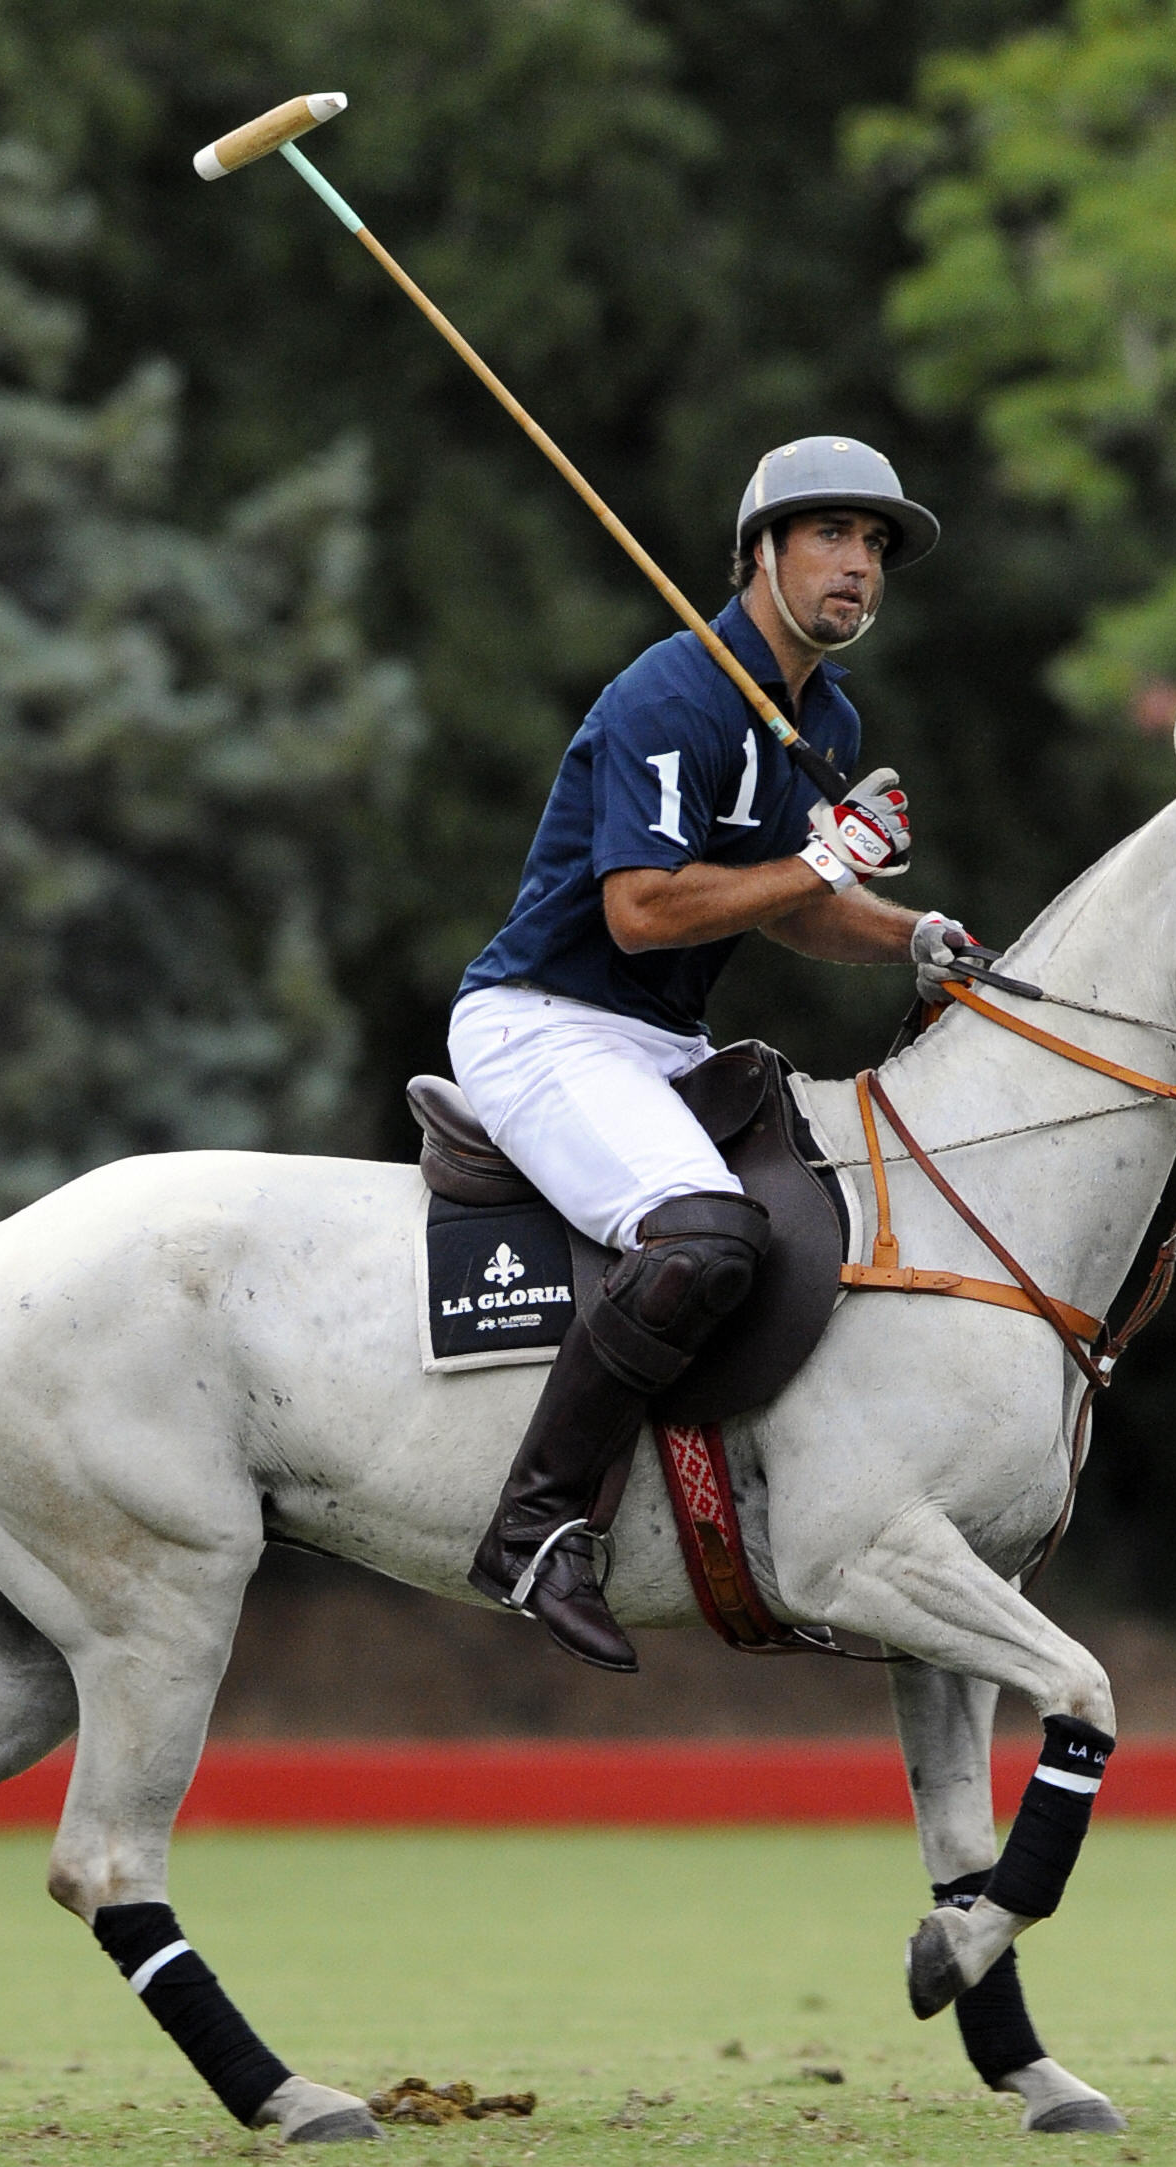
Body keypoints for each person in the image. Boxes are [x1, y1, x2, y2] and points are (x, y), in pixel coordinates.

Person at [451, 436, 983, 1671]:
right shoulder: (669, 693)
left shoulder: (821, 713)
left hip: (660, 1039)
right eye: (830, 537)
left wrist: (913, 934)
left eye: (874, 548)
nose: (857, 568)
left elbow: (785, 903)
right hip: (543, 1016)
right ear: (759, 552)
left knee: (823, 1220)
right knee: (702, 1233)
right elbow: (641, 907)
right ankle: (534, 1528)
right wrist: (821, 859)